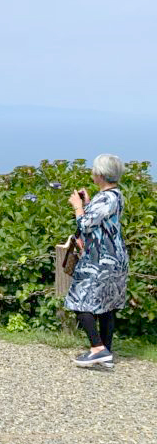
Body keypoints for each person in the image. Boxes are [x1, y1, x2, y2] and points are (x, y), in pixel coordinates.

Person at [65, 153, 129, 368]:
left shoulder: (106, 198)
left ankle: (97, 348)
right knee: (106, 304)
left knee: (78, 299)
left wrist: (77, 206)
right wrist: (88, 202)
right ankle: (106, 352)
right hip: (115, 257)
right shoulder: (116, 195)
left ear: (100, 174)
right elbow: (100, 221)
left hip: (99, 259)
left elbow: (85, 225)